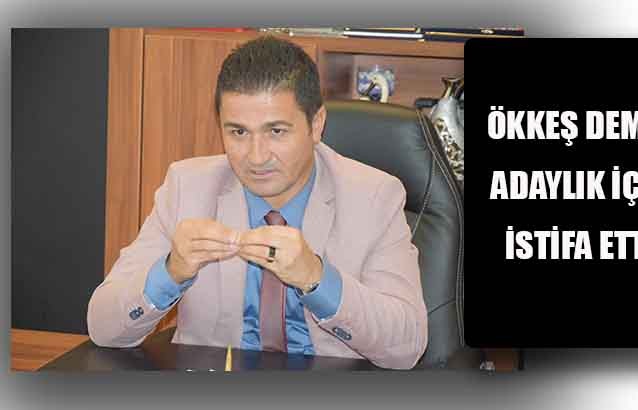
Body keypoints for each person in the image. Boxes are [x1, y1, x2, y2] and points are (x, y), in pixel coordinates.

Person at [87, 36, 428, 370]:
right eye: (238, 132)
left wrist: (316, 279)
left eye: (276, 131)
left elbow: (406, 347)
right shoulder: (186, 188)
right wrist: (171, 271)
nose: (256, 156)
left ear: (316, 125)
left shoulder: (374, 196)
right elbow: (103, 328)